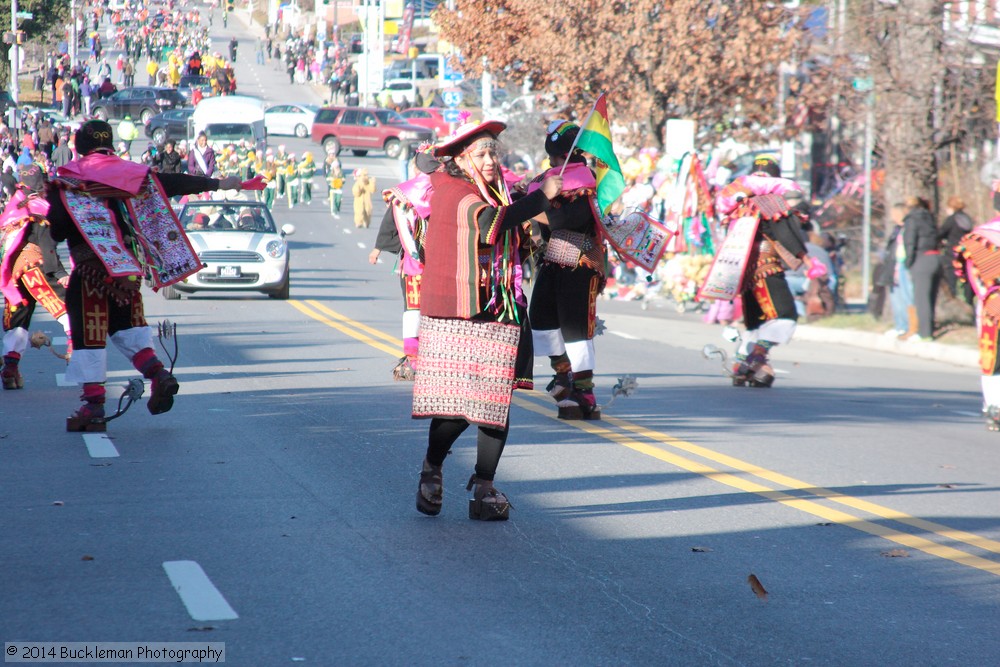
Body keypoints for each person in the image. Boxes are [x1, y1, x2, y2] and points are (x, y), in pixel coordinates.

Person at [46, 120, 246, 432]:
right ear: (110, 143)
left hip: (90, 272)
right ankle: (158, 375)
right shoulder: (132, 174)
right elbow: (173, 182)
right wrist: (220, 184)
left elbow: (56, 228)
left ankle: (93, 406)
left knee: (89, 337)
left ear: (79, 147)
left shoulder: (69, 180)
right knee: (127, 329)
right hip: (127, 272)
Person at [411, 118, 562, 521]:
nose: (491, 159)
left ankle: (484, 486)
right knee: (458, 405)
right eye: (481, 153)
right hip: (461, 310)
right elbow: (489, 224)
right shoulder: (454, 193)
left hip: (500, 306)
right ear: (462, 159)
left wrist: (541, 202)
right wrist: (540, 198)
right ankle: (433, 468)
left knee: (496, 400)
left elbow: (513, 225)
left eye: (494, 151)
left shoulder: (491, 190)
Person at [713, 155, 827, 387]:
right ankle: (754, 357)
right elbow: (784, 233)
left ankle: (745, 366)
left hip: (743, 272)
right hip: (766, 269)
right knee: (785, 316)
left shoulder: (740, 204)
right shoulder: (770, 201)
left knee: (757, 323)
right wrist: (806, 260)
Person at [528, 121, 607, 419]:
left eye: (553, 155)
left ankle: (584, 390)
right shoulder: (550, 178)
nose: (550, 161)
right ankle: (563, 374)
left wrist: (528, 205)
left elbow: (565, 221)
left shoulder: (586, 182)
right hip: (552, 260)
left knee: (575, 328)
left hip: (580, 263)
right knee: (540, 320)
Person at [369, 146, 439, 379]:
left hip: (414, 266)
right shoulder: (447, 186)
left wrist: (378, 247)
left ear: (417, 166)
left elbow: (392, 221)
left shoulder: (405, 193)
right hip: (442, 264)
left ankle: (414, 359)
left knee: (413, 310)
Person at [0, 165, 71, 390]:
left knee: (18, 321)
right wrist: (59, 273)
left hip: (14, 272)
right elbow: (47, 244)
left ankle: (10, 370)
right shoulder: (40, 207)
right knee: (68, 307)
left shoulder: (15, 203)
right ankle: (77, 354)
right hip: (36, 267)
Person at [954, 185, 1000, 430]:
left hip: (993, 306)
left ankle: (995, 407)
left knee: (994, 359)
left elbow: (969, 277)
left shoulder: (980, 238)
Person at [902, 195, 942, 341]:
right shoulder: (930, 218)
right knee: (931, 297)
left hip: (921, 259)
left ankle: (924, 333)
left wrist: (909, 262)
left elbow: (910, 242)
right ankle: (930, 328)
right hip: (936, 257)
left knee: (921, 299)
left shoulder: (911, 220)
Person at [937, 195, 975, 303]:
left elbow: (941, 233)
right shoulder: (967, 218)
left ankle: (955, 300)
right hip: (966, 252)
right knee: (967, 278)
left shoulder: (951, 219)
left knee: (952, 279)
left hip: (952, 254)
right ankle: (968, 300)